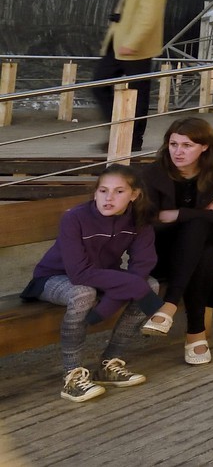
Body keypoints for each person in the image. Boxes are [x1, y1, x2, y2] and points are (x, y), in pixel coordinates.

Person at [21, 165, 164, 402]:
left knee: (150, 285)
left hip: (101, 276)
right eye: (103, 191)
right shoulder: (74, 218)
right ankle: (72, 375)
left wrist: (109, 304)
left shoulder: (139, 222)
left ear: (134, 194)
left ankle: (109, 364)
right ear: (95, 193)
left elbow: (141, 267)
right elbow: (78, 273)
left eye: (119, 191)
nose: (109, 198)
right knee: (83, 293)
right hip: (53, 278)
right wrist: (128, 286)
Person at [136, 117, 213, 365]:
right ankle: (195, 334)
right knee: (201, 244)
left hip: (208, 247)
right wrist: (204, 212)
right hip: (163, 252)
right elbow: (147, 219)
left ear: (204, 146)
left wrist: (180, 214)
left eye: (187, 145)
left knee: (198, 233)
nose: (178, 152)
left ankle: (168, 307)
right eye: (173, 144)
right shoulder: (153, 173)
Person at [92, 0, 167, 152]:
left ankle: (132, 140)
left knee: (138, 94)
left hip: (135, 48)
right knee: (99, 84)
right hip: (118, 45)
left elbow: (148, 15)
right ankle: (118, 131)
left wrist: (133, 42)